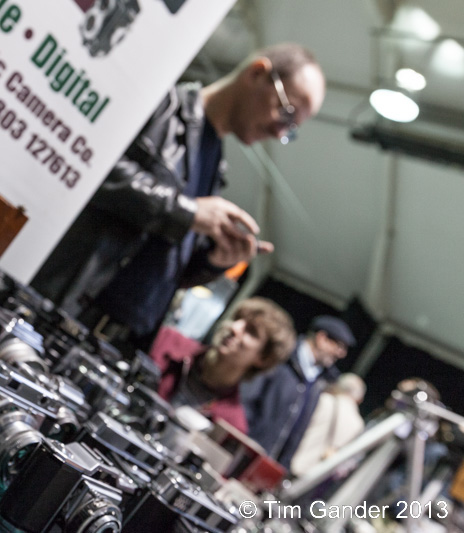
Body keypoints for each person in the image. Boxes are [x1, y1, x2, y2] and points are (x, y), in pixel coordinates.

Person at [30, 43, 326, 353]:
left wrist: (214, 261)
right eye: (286, 113)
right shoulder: (161, 107)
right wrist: (186, 212)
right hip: (59, 309)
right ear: (257, 73)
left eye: (291, 128)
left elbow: (165, 267)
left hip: (112, 344)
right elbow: (91, 165)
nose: (280, 132)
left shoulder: (216, 170)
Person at [152, 297, 296, 433]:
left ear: (263, 358)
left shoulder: (231, 425)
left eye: (251, 331)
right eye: (237, 319)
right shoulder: (166, 341)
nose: (235, 327)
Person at [241, 314, 356, 468]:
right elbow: (246, 400)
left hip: (268, 465)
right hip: (243, 450)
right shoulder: (282, 357)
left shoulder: (321, 382)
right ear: (322, 338)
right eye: (339, 346)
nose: (341, 354)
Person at [290, 372, 367, 476]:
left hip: (293, 461)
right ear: (360, 399)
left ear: (338, 386)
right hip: (314, 478)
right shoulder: (359, 424)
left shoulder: (325, 400)